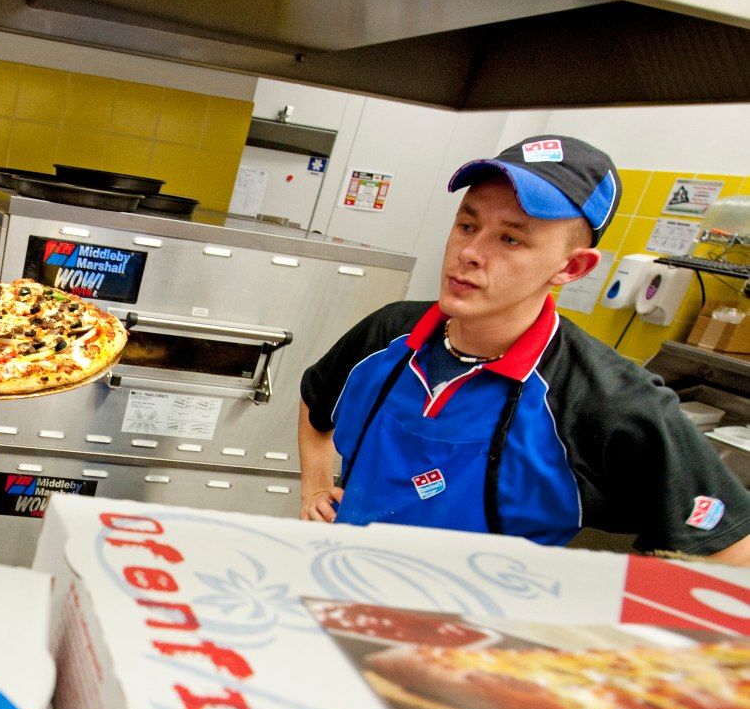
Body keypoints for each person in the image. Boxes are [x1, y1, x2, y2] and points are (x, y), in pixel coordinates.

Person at [298, 135, 750, 563]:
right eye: (467, 225)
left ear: (571, 267)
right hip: (337, 578)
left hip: (473, 634)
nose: (469, 252)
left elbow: (731, 549)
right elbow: (316, 397)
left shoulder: (606, 399)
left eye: (510, 238)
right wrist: (316, 487)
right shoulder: (389, 333)